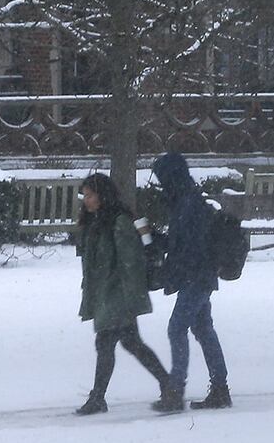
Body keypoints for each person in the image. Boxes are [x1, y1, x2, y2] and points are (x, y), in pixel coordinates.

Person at [73, 172, 179, 415]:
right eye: (84, 196)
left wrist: (131, 299)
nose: (86, 200)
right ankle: (167, 385)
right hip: (107, 294)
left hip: (117, 295)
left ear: (102, 195)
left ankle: (98, 398)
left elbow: (130, 263)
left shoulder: (118, 222)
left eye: (90, 195)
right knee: (132, 343)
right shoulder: (97, 222)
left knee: (106, 342)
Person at [153, 152, 231, 411]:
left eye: (163, 177)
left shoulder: (188, 205)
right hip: (199, 276)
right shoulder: (186, 201)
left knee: (177, 328)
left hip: (195, 277)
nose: (160, 183)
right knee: (203, 329)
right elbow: (184, 244)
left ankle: (176, 390)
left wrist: (170, 264)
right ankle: (220, 388)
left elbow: (189, 247)